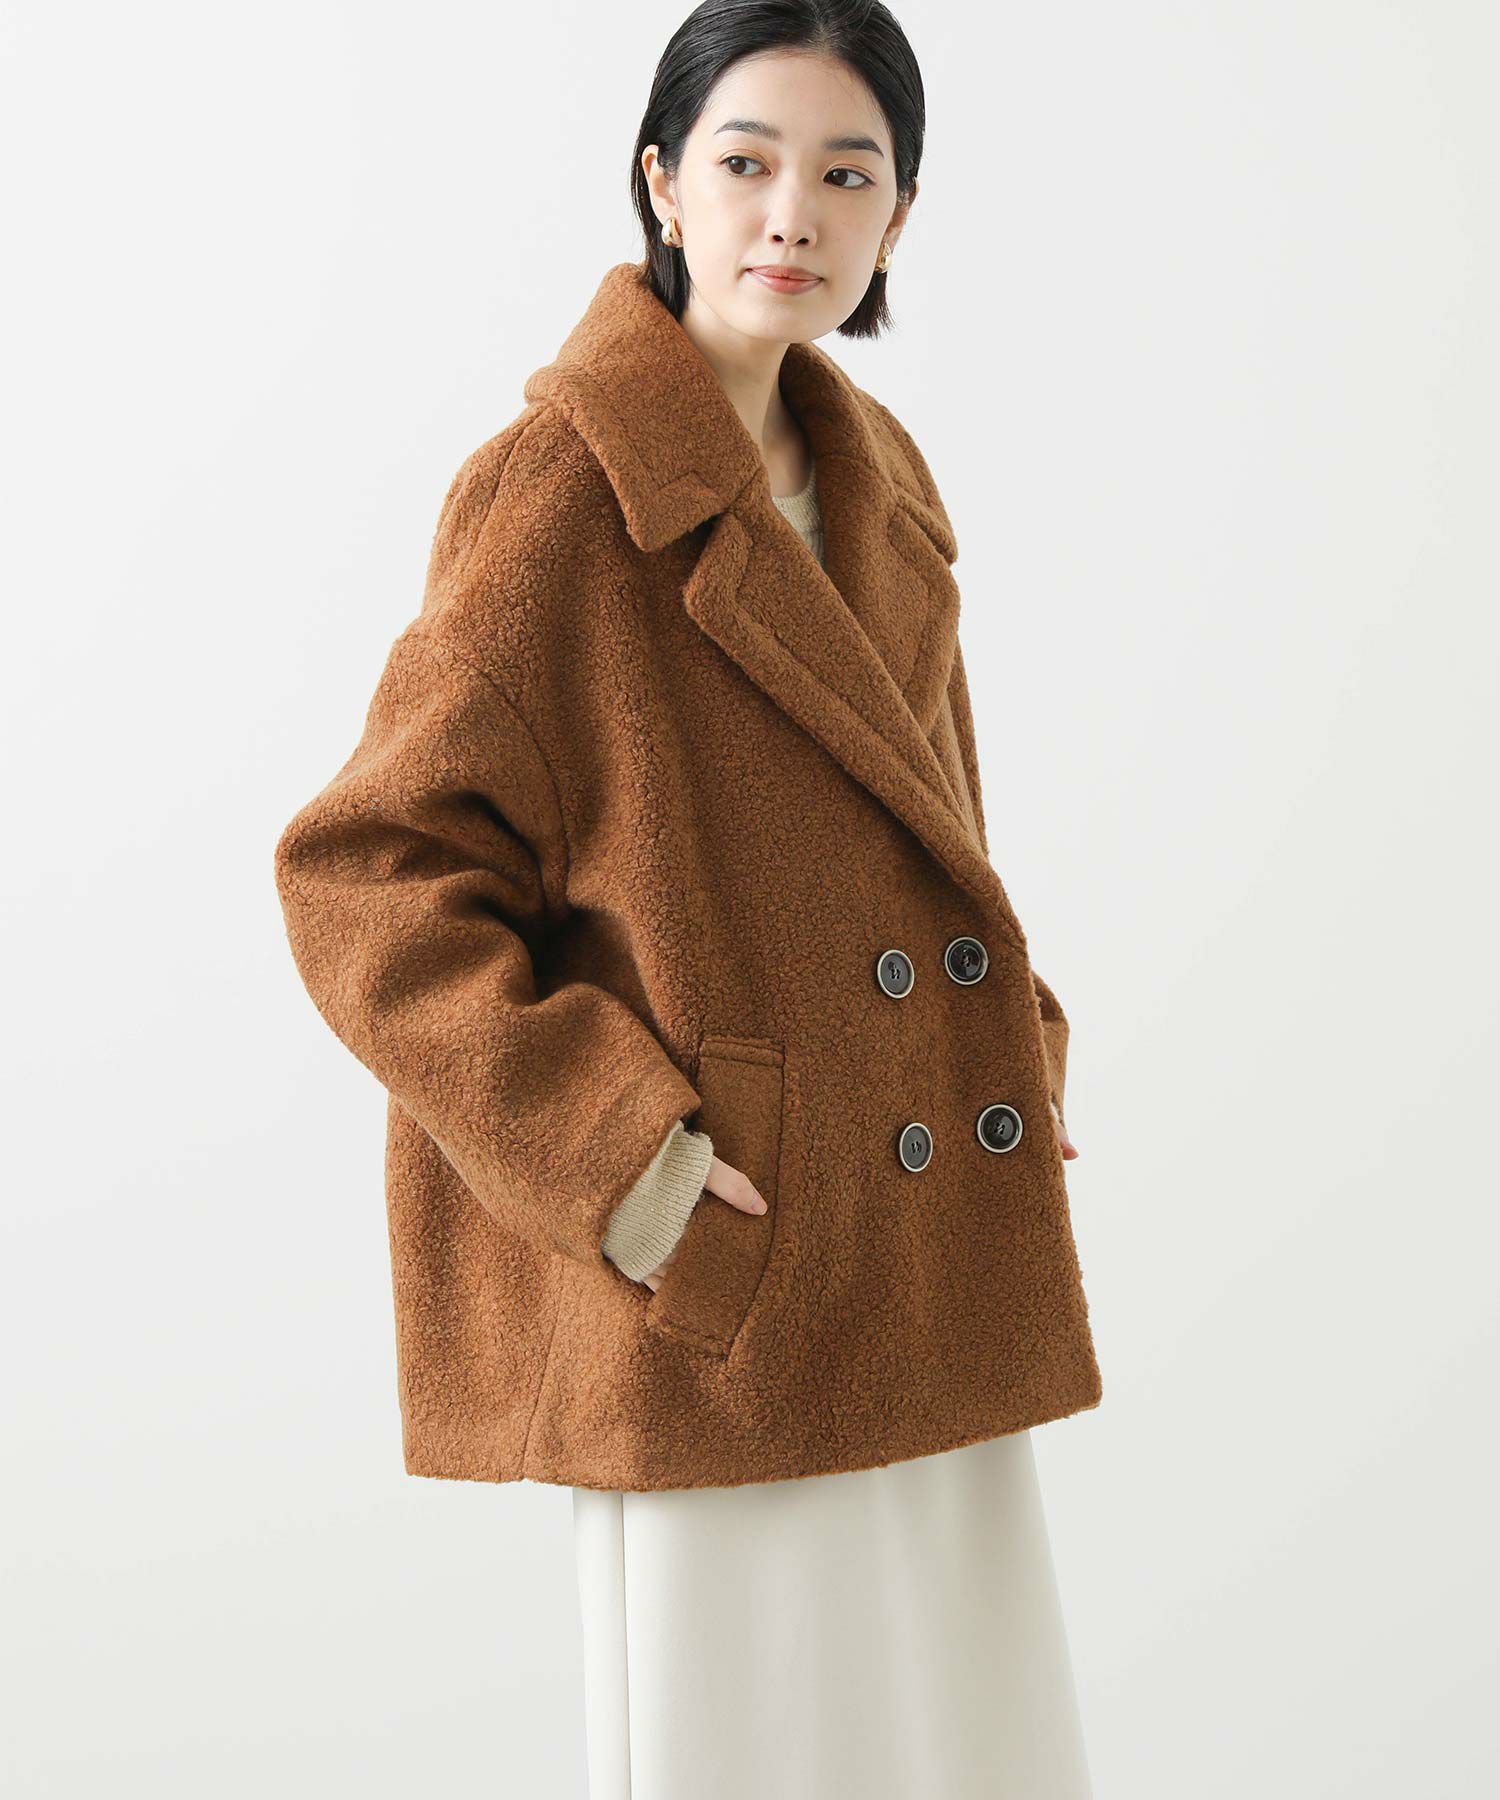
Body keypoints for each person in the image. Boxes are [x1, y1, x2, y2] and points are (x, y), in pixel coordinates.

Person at [274, 5, 1102, 1794]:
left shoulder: (877, 477)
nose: (792, 212)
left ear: (898, 216)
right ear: (662, 183)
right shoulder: (562, 492)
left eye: (847, 174)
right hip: (728, 1268)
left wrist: (1011, 1048)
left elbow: (934, 824)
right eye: (745, 161)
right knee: (763, 1744)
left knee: (968, 1742)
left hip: (921, 1233)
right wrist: (625, 1170)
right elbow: (366, 877)